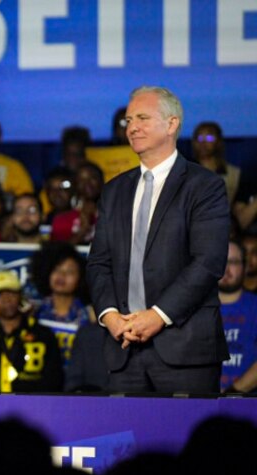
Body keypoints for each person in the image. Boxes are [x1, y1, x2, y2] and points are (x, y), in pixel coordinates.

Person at [87, 86, 230, 394]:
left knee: (191, 441)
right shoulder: (114, 191)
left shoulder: (204, 186)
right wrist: (110, 316)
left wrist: (157, 316)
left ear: (172, 124)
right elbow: (99, 262)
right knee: (125, 441)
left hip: (185, 348)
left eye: (142, 118)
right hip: (123, 347)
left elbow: (208, 262)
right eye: (128, 120)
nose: (132, 127)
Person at [0, 271, 63, 393]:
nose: (6, 299)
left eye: (11, 293)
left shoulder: (43, 334)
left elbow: (54, 378)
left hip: (33, 406)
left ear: (20, 296)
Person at [31, 242, 94, 365]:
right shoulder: (34, 311)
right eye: (56, 270)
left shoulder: (90, 314)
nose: (61, 276)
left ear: (80, 278)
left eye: (70, 272)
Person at [218, 240, 257, 393]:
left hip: (248, 402)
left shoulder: (254, 307)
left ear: (245, 266)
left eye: (233, 262)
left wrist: (233, 392)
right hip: (203, 400)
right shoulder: (196, 309)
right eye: (221, 261)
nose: (226, 269)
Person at [50, 161, 104, 244]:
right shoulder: (61, 221)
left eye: (92, 178)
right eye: (81, 180)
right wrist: (82, 230)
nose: (87, 184)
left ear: (101, 181)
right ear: (75, 186)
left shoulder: (115, 217)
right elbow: (57, 254)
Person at [191, 121, 241, 206]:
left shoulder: (233, 174)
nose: (203, 142)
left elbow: (242, 216)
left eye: (209, 138)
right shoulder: (184, 170)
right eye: (199, 138)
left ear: (218, 142)